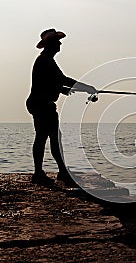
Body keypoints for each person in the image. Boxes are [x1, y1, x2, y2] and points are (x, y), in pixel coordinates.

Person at [26, 28, 97, 186]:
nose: (60, 43)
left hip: (41, 104)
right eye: (57, 41)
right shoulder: (45, 60)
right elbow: (62, 79)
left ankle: (59, 172)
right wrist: (87, 88)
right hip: (42, 105)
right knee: (45, 138)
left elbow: (50, 82)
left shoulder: (46, 60)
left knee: (52, 138)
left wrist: (61, 89)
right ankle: (44, 173)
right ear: (50, 44)